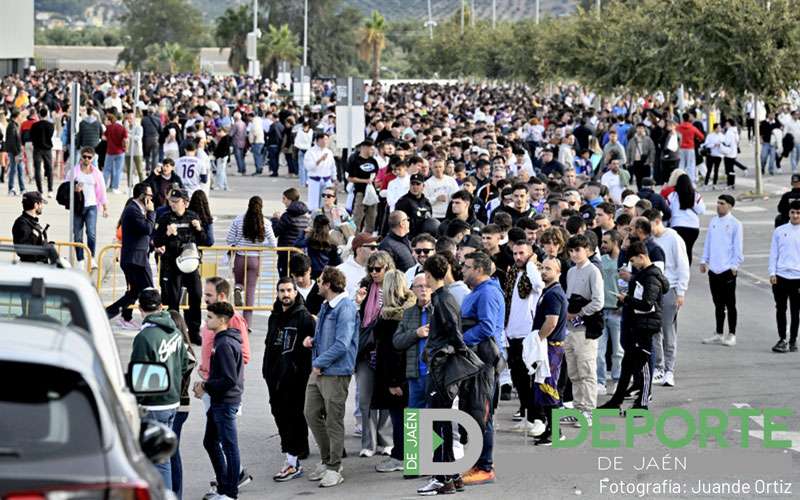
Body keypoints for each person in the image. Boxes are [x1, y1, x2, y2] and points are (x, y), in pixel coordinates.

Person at [303, 267, 359, 488]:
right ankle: (327, 461)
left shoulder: (345, 308)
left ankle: (335, 467)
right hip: (320, 371)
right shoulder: (327, 305)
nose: (317, 284)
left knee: (334, 420)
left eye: (319, 281)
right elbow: (326, 337)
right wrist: (313, 342)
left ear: (328, 284)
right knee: (311, 412)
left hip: (334, 373)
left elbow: (342, 344)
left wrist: (319, 362)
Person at [416, 254, 466, 496]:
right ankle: (452, 476)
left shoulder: (443, 300)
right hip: (443, 368)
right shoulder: (444, 298)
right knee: (442, 422)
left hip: (442, 370)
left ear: (428, 275)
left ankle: (442, 477)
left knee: (438, 423)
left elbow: (455, 335)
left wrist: (441, 355)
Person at [130, 288, 189, 491]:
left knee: (154, 461)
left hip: (154, 405)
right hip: (173, 401)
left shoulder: (144, 337)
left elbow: (139, 377)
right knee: (166, 458)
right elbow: (184, 364)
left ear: (140, 309)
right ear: (161, 306)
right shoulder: (174, 330)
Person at [602, 241, 669, 411]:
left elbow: (647, 304)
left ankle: (643, 403)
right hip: (637, 325)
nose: (632, 265)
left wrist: (627, 300)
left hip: (645, 327)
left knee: (644, 366)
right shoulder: (643, 274)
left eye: (633, 261)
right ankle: (616, 401)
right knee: (627, 365)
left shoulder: (651, 276)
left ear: (642, 256)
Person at [460, 251, 505, 486]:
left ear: (479, 269)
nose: (462, 269)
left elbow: (487, 328)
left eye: (467, 266)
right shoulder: (478, 292)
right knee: (476, 413)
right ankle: (480, 462)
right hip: (476, 361)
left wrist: (461, 340)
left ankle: (485, 467)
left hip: (484, 361)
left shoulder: (487, 292)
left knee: (482, 414)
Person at [264, 277, 316, 482]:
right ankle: (295, 449)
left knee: (293, 415)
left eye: (288, 290)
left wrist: (301, 371)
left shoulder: (304, 317)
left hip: (295, 377)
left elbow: (311, 347)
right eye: (281, 290)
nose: (285, 294)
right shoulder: (274, 315)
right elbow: (270, 344)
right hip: (273, 375)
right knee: (278, 412)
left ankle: (293, 456)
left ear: (295, 292)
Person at [193, 301, 245, 500]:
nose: (206, 321)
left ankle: (230, 492)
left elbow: (228, 379)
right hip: (219, 402)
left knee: (229, 446)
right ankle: (224, 486)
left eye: (210, 317)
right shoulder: (222, 340)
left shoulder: (224, 344)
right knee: (211, 442)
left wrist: (205, 386)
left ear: (222, 320)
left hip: (225, 402)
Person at [371, 270, 416, 473]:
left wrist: (393, 381)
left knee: (399, 416)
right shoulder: (409, 311)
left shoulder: (391, 317)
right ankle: (408, 454)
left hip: (395, 375)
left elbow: (393, 352)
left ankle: (400, 456)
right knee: (407, 415)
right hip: (406, 372)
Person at [354, 251, 395, 457]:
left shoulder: (394, 287)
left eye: (377, 269)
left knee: (387, 397)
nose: (373, 273)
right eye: (370, 269)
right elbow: (357, 319)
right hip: (365, 349)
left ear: (387, 268)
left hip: (385, 348)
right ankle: (368, 443)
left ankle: (385, 441)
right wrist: (358, 303)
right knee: (365, 398)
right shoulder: (365, 285)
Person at [152, 188, 206, 345]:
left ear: (185, 202)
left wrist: (199, 229)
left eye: (176, 202)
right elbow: (156, 242)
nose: (173, 205)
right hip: (172, 264)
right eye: (171, 202)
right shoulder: (165, 218)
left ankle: (194, 331)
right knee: (172, 300)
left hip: (190, 263)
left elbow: (205, 241)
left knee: (196, 295)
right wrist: (167, 234)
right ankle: (174, 332)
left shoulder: (193, 216)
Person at [645, 209, 689, 388]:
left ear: (657, 221)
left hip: (670, 289)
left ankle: (669, 370)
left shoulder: (673, 238)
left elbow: (682, 265)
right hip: (653, 290)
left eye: (650, 226)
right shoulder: (650, 240)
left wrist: (681, 292)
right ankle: (659, 367)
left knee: (668, 331)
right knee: (655, 331)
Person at [504, 239, 545, 430]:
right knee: (518, 380)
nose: (518, 257)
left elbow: (538, 285)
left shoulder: (534, 271)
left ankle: (539, 419)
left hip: (528, 334)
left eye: (522, 253)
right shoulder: (513, 273)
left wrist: (530, 263)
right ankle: (528, 417)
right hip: (512, 333)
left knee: (532, 380)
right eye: (515, 253)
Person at [564, 234, 604, 426]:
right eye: (571, 251)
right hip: (570, 329)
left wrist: (579, 313)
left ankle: (588, 410)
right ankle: (578, 407)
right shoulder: (571, 272)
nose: (574, 254)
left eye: (578, 250)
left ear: (587, 249)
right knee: (574, 371)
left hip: (586, 328)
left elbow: (598, 301)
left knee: (587, 370)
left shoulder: (593, 271)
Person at [529, 257, 569, 445]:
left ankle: (556, 432)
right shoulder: (549, 291)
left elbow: (551, 322)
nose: (544, 272)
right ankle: (550, 429)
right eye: (542, 268)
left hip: (551, 347)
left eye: (549, 269)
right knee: (542, 387)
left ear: (558, 272)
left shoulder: (554, 294)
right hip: (548, 346)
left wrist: (538, 339)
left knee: (548, 387)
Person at [105, 182, 155, 326]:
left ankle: (107, 314)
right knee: (150, 291)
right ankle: (152, 321)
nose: (151, 200)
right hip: (136, 259)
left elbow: (142, 233)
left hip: (135, 257)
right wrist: (151, 212)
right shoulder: (133, 210)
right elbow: (147, 228)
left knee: (134, 293)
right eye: (149, 196)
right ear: (142, 196)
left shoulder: (136, 209)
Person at [226, 196, 278, 325]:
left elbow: (229, 239)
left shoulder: (238, 220)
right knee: (251, 289)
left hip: (240, 257)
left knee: (239, 282)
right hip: (254, 258)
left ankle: (238, 288)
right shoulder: (265, 222)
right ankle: (247, 323)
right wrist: (260, 245)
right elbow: (273, 243)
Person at [700, 194, 744, 347]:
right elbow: (708, 242)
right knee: (718, 303)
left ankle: (732, 334)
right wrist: (704, 260)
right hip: (714, 269)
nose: (718, 206)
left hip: (728, 270)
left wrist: (734, 266)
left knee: (730, 303)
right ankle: (719, 333)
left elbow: (738, 248)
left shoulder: (735, 224)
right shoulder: (713, 221)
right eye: (718, 203)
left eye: (722, 203)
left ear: (730, 206)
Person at [393, 273, 434, 410]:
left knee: (434, 419)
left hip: (434, 374)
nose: (424, 289)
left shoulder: (439, 310)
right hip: (414, 374)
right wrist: (416, 333)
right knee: (414, 420)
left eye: (427, 286)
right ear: (413, 289)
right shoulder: (408, 313)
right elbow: (397, 341)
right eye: (420, 286)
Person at [167, 310, 196, 500]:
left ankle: (176, 493)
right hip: (175, 406)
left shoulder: (183, 351)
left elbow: (177, 377)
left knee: (172, 451)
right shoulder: (175, 347)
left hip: (179, 407)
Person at [66, 145, 109, 265]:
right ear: (81, 156)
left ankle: (92, 258)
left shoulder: (97, 173)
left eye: (89, 157)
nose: (86, 159)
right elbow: (65, 187)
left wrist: (105, 208)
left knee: (91, 233)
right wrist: (74, 189)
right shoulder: (74, 172)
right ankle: (80, 260)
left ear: (93, 158)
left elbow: (102, 191)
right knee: (78, 235)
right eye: (84, 156)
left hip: (92, 206)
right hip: (78, 207)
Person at [768, 199, 800, 353]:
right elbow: (774, 253)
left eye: (798, 213)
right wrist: (772, 272)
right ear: (788, 213)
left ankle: (793, 340)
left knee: (795, 311)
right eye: (793, 212)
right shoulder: (780, 231)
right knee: (780, 309)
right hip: (780, 276)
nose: (795, 216)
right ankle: (782, 338)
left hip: (797, 278)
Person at [598, 230, 624, 396]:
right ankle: (600, 382)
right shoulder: (601, 261)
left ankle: (616, 380)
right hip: (602, 310)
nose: (603, 245)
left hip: (617, 311)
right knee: (599, 351)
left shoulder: (624, 263)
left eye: (606, 242)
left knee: (618, 351)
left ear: (615, 243)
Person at [666, 173, 705, 264]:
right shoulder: (696, 195)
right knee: (688, 250)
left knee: (678, 251)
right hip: (693, 227)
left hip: (677, 226)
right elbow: (701, 210)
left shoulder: (672, 196)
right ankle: (686, 272)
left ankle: (679, 271)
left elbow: (668, 211)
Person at [271, 187, 310, 277]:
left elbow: (275, 232)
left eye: (284, 198)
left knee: (285, 278)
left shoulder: (287, 215)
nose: (282, 201)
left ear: (289, 199)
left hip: (286, 253)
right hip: (299, 252)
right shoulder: (304, 215)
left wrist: (275, 219)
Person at [295, 214, 343, 279]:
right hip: (328, 274)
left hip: (314, 273)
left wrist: (303, 232)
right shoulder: (332, 241)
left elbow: (297, 243)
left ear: (315, 226)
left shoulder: (311, 240)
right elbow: (338, 262)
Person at [347, 139, 380, 232]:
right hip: (360, 192)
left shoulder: (373, 161)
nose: (372, 151)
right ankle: (354, 235)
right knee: (358, 215)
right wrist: (365, 181)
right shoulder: (355, 160)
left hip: (372, 192)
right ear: (364, 148)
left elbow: (376, 175)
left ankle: (368, 236)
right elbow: (350, 178)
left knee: (372, 216)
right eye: (371, 149)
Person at [12, 191, 49, 263]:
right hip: (32, 267)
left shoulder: (31, 221)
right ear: (36, 205)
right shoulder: (22, 223)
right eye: (41, 204)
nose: (42, 206)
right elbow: (23, 250)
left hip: (38, 265)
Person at [338, 233, 378, 298]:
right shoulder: (341, 271)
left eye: (377, 247)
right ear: (359, 250)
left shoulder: (379, 270)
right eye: (372, 248)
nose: (376, 251)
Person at [304, 132, 337, 211]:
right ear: (317, 140)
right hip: (315, 180)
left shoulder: (329, 152)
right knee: (314, 202)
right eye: (322, 140)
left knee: (327, 200)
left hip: (326, 179)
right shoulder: (310, 152)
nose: (324, 142)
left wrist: (334, 177)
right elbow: (308, 167)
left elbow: (333, 166)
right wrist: (319, 160)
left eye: (326, 140)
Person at [395, 173, 434, 238]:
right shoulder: (403, 202)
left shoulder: (427, 202)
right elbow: (398, 224)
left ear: (423, 186)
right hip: (409, 238)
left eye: (418, 184)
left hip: (423, 238)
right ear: (409, 185)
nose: (415, 187)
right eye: (412, 184)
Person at [29, 107, 55, 196]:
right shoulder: (50, 125)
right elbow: (51, 135)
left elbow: (31, 136)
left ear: (39, 114)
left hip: (37, 149)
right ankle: (50, 189)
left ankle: (40, 190)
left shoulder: (34, 125)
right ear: (47, 114)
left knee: (37, 169)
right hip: (47, 149)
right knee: (49, 169)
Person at [103, 109, 128, 194]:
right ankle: (115, 187)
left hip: (110, 151)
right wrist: (125, 148)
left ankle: (103, 186)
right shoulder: (123, 128)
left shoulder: (109, 127)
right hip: (120, 151)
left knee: (106, 169)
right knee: (118, 170)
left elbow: (104, 137)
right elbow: (125, 140)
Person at [676, 113, 705, 184]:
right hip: (690, 148)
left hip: (681, 148)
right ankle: (691, 181)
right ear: (688, 118)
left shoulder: (678, 127)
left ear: (683, 118)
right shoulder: (692, 128)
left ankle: (680, 179)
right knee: (691, 165)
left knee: (681, 164)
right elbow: (701, 137)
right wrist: (697, 139)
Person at [626, 123, 656, 190]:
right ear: (636, 129)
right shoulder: (632, 140)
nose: (640, 130)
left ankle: (648, 191)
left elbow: (652, 150)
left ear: (644, 129)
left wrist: (651, 161)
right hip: (636, 161)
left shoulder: (648, 139)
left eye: (641, 128)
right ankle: (640, 191)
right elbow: (629, 150)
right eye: (638, 128)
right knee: (638, 179)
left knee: (646, 179)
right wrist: (628, 161)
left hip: (646, 162)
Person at [5, 109, 25, 195]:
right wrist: (16, 153)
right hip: (15, 152)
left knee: (19, 170)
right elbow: (12, 141)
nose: (21, 118)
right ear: (16, 116)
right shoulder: (12, 126)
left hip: (16, 151)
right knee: (14, 170)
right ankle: (11, 188)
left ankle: (22, 188)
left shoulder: (14, 125)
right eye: (20, 116)